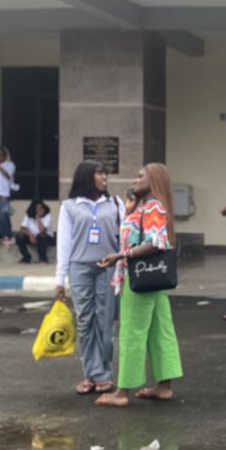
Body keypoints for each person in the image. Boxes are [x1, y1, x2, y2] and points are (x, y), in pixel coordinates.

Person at [95, 163, 183, 408]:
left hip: (139, 280)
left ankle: (122, 391)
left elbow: (156, 242)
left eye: (140, 176)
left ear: (153, 180)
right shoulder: (148, 206)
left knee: (131, 334)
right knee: (160, 332)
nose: (134, 180)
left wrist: (120, 255)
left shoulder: (153, 206)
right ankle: (164, 387)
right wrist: (130, 209)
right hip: (154, 280)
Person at [55, 161, 124, 395]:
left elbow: (124, 238)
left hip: (108, 268)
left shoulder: (115, 204)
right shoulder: (69, 207)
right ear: (86, 177)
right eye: (99, 173)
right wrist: (59, 280)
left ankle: (104, 374)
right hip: (80, 268)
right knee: (85, 321)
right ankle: (90, 374)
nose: (105, 177)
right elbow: (64, 245)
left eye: (105, 173)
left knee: (105, 321)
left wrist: (122, 268)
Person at [0, 147, 17, 244]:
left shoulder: (10, 164)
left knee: (3, 216)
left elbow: (7, 175)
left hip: (3, 194)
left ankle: (7, 235)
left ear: (4, 156)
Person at [15, 199, 54, 264]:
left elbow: (42, 230)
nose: (40, 210)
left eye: (41, 208)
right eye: (38, 208)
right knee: (19, 236)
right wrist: (30, 235)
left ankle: (43, 259)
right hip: (32, 237)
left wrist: (38, 218)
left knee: (41, 236)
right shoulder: (28, 216)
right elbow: (22, 228)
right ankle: (26, 257)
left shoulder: (47, 216)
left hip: (45, 238)